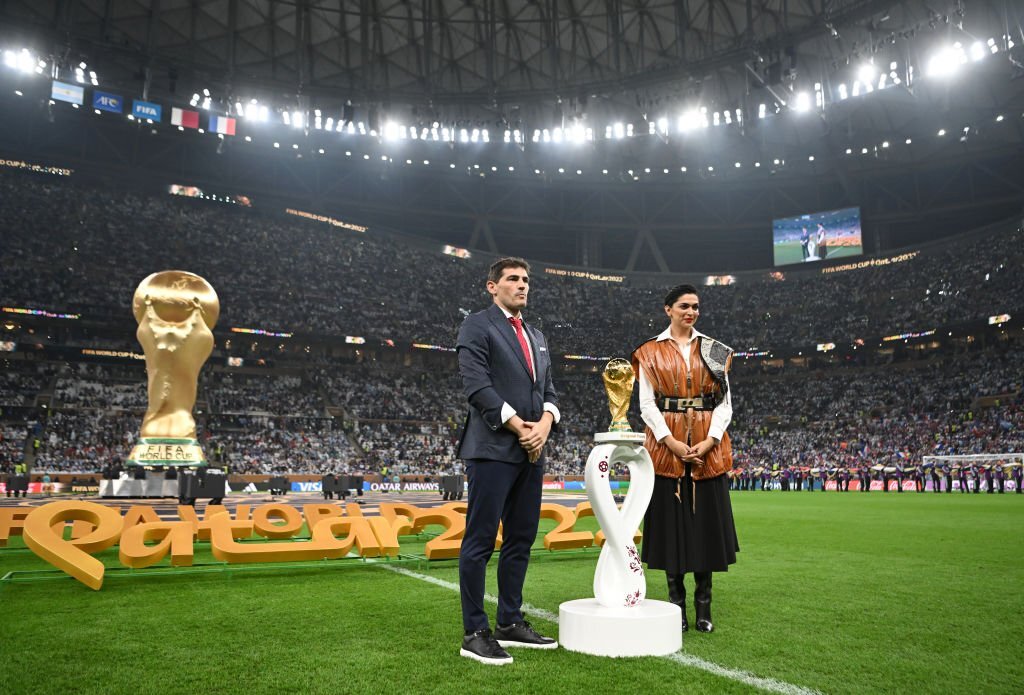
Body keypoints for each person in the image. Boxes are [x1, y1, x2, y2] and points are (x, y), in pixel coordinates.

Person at [455, 257, 560, 665]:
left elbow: (549, 390)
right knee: (480, 540)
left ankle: (510, 622)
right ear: (491, 286)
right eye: (513, 279)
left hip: (532, 451)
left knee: (520, 539)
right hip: (493, 449)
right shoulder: (478, 325)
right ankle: (475, 632)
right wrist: (521, 428)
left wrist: (545, 426)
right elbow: (477, 387)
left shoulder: (536, 335)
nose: (522, 286)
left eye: (526, 280)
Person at [632, 284, 738, 634]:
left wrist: (709, 440)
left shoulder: (714, 350)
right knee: (672, 530)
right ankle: (675, 605)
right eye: (683, 306)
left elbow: (725, 404)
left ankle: (703, 607)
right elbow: (646, 404)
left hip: (709, 443)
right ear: (668, 310)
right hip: (666, 448)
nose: (690, 312)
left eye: (695, 307)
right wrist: (671, 442)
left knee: (705, 528)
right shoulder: (649, 352)